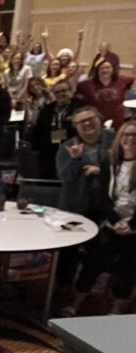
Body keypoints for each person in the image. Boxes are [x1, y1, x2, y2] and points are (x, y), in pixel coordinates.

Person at [62, 121, 136, 316]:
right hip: (112, 221)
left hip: (134, 226)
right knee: (93, 261)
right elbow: (102, 196)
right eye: (126, 135)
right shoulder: (110, 162)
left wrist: (132, 225)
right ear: (119, 139)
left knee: (128, 267)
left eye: (134, 136)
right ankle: (76, 302)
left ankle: (117, 307)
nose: (130, 139)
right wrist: (114, 220)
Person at [55, 105, 113, 290]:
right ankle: (61, 287)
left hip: (105, 206)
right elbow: (65, 177)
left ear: (100, 120)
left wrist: (100, 171)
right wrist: (75, 159)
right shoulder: (68, 146)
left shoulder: (114, 140)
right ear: (76, 126)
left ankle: (84, 287)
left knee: (98, 251)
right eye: (81, 122)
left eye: (90, 119)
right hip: (75, 205)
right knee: (68, 250)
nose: (87, 124)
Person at [31, 79, 83, 179]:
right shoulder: (48, 109)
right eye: (57, 92)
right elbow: (39, 130)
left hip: (73, 147)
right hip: (49, 150)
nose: (60, 94)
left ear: (71, 91)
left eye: (63, 91)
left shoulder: (81, 107)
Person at [76, 60, 134, 129]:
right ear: (97, 70)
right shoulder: (86, 84)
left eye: (108, 68)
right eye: (102, 68)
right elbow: (72, 89)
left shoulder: (122, 80)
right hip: (96, 124)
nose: (105, 70)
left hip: (118, 123)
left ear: (113, 69)